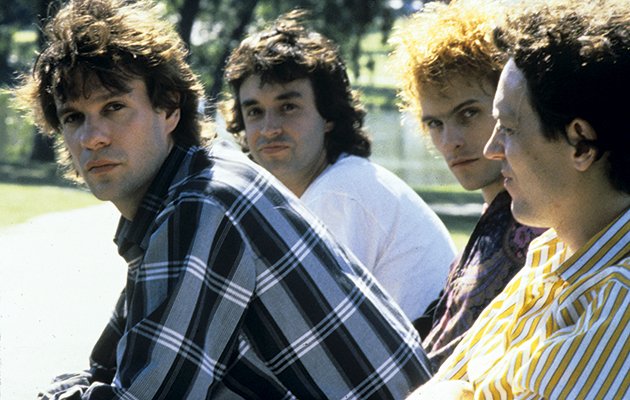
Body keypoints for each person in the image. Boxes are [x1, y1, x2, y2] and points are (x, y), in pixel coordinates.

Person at [14, 0, 434, 398]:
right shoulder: (183, 195)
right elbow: (109, 366)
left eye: (114, 107)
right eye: (73, 117)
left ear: (169, 110)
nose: (93, 137)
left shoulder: (205, 203)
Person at [408, 0, 630, 398]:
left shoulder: (620, 300)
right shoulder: (550, 254)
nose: (493, 149)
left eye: (508, 128)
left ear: (580, 143)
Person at [220, 11, 457, 322]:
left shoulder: (339, 192)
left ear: (328, 116)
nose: (269, 128)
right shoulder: (334, 184)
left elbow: (310, 327)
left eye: (288, 107)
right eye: (254, 112)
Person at [391, 0, 544, 370]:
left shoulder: (537, 226)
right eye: (435, 124)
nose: (450, 141)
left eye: (468, 114)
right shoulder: (496, 218)